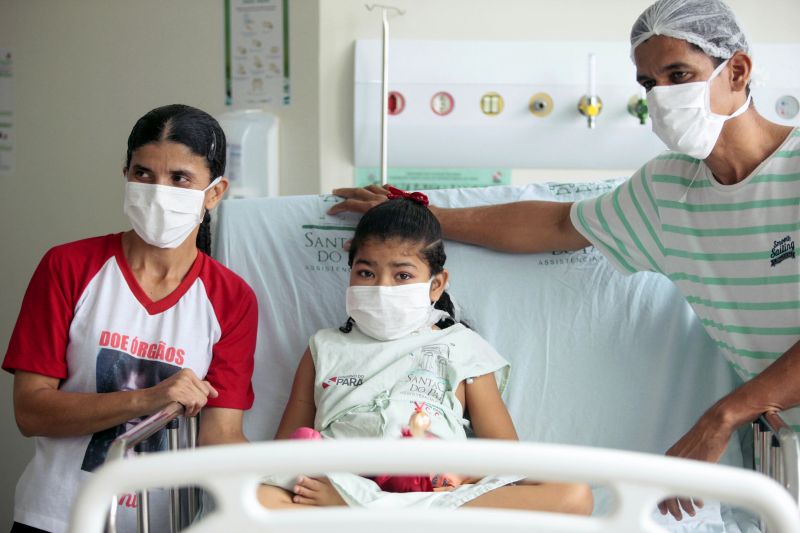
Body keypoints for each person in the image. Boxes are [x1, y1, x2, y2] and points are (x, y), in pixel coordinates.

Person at [329, 0, 800, 522]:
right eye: (649, 83)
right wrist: (419, 213)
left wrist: (724, 416)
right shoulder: (670, 189)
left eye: (679, 75)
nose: (663, 97)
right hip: (786, 445)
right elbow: (556, 225)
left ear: (737, 70)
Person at [2, 104, 258, 533]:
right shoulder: (69, 267)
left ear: (214, 192)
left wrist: (279, 479)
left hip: (160, 523)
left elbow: (220, 434)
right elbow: (31, 412)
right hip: (54, 518)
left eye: (179, 178)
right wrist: (148, 399)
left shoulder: (231, 299)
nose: (158, 191)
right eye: (143, 174)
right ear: (125, 175)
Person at [257, 190, 593, 515]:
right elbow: (287, 448)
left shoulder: (464, 348)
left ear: (436, 284)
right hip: (340, 487)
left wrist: (454, 475)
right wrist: (315, 477)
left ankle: (376, 520)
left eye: (402, 275)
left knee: (572, 494)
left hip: (436, 497)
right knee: (260, 498)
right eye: (366, 273)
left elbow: (505, 457)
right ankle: (376, 516)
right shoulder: (324, 347)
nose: (382, 287)